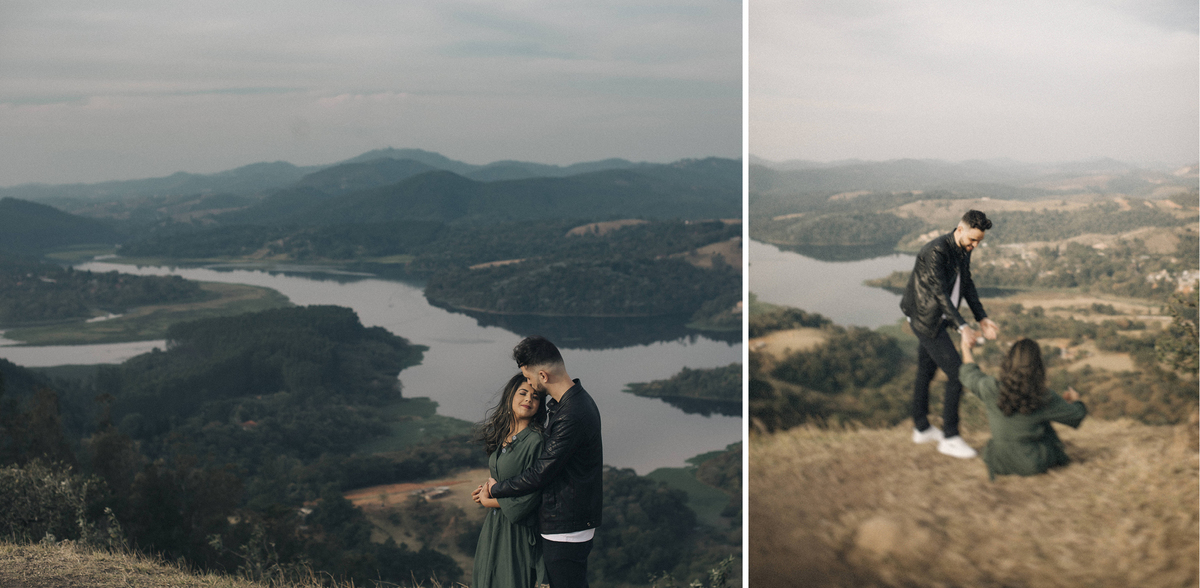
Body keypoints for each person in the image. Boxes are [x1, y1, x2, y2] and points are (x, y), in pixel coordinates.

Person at [479, 336, 603, 588]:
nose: (529, 383)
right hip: (565, 523)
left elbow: (540, 473)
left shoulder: (572, 414)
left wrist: (495, 489)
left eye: (529, 377)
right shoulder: (571, 403)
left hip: (566, 526)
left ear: (543, 376)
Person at [900, 209, 1000, 458]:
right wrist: (963, 327)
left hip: (939, 318)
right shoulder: (936, 251)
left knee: (926, 370)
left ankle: (921, 428)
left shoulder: (963, 250)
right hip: (927, 320)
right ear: (960, 230)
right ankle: (950, 437)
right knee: (958, 375)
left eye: (979, 241)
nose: (975, 246)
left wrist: (982, 317)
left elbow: (967, 285)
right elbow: (939, 294)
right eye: (972, 240)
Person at [959, 336, 1088, 480]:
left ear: (1008, 361)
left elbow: (969, 374)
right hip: (1031, 462)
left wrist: (966, 348)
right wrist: (1076, 400)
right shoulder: (1043, 397)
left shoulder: (991, 388)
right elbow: (1077, 416)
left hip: (998, 460)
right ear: (1038, 366)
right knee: (1045, 425)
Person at [471, 373, 548, 588]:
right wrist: (486, 490)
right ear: (510, 397)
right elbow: (505, 478)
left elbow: (534, 496)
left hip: (517, 532)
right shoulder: (504, 434)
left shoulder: (536, 440)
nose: (528, 399)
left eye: (535, 397)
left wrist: (490, 500)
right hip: (495, 526)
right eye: (523, 393)